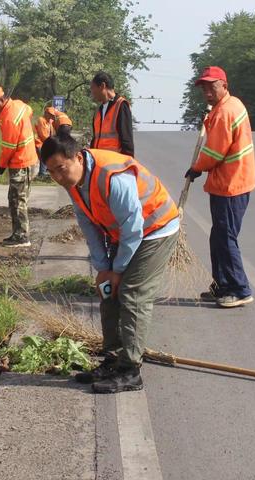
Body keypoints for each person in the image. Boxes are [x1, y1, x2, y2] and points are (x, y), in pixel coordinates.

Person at [41, 135, 179, 394]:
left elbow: (133, 228)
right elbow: (88, 225)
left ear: (78, 157)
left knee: (132, 293)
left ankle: (130, 371)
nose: (58, 177)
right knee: (107, 291)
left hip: (155, 229)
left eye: (61, 169)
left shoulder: (112, 176)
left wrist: (118, 270)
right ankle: (113, 359)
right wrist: (103, 268)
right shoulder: (74, 183)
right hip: (126, 234)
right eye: (51, 172)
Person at [185, 66, 255, 308]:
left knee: (225, 238)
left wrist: (197, 167)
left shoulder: (226, 110)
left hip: (232, 183)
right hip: (230, 181)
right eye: (203, 87)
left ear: (224, 85)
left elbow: (215, 150)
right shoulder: (226, 107)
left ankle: (239, 288)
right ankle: (223, 285)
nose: (207, 91)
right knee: (218, 237)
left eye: (211, 86)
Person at [0, 86, 39, 247]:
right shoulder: (19, 105)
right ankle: (19, 233)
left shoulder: (9, 118)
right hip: (30, 159)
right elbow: (30, 110)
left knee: (17, 200)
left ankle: (22, 237)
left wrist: (0, 167)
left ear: (1, 100)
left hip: (21, 163)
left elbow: (8, 147)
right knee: (17, 198)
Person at [90, 71, 134, 156]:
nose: (92, 93)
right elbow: (95, 139)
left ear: (102, 86)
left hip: (115, 164)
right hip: (100, 162)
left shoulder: (121, 105)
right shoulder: (98, 111)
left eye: (93, 88)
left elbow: (127, 141)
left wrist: (128, 166)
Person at [34, 107, 55, 176]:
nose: (51, 116)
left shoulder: (48, 122)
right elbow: (42, 134)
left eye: (52, 115)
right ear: (46, 113)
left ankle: (45, 170)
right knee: (45, 154)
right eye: (50, 114)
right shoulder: (41, 120)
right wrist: (50, 142)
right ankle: (42, 173)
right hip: (39, 142)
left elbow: (51, 133)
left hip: (44, 142)